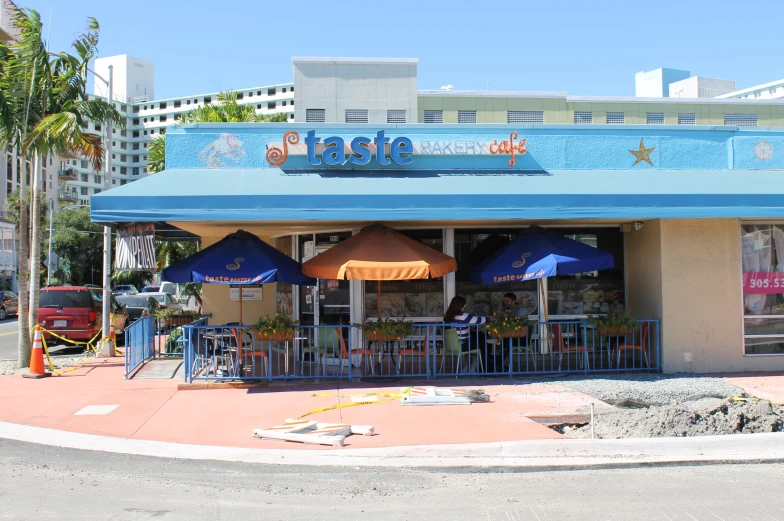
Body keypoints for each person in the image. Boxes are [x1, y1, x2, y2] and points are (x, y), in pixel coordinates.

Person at [443, 296, 488, 371]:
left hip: (450, 345)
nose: (464, 307)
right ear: (461, 306)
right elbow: (479, 320)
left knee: (476, 340)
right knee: (483, 341)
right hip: (462, 345)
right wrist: (491, 318)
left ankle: (467, 368)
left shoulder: (447, 316)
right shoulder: (463, 316)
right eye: (464, 305)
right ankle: (481, 368)